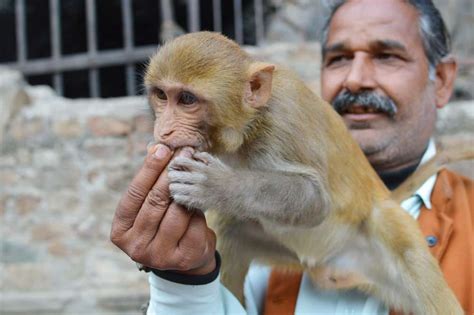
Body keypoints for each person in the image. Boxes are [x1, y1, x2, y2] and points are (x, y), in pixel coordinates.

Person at [110, 0, 473, 314]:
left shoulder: (280, 111)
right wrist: (181, 279)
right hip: (285, 236)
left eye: (387, 56)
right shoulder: (245, 210)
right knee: (226, 226)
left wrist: (225, 187)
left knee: (405, 243)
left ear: (256, 89)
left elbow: (311, 200)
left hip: (353, 224)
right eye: (339, 58)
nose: (357, 79)